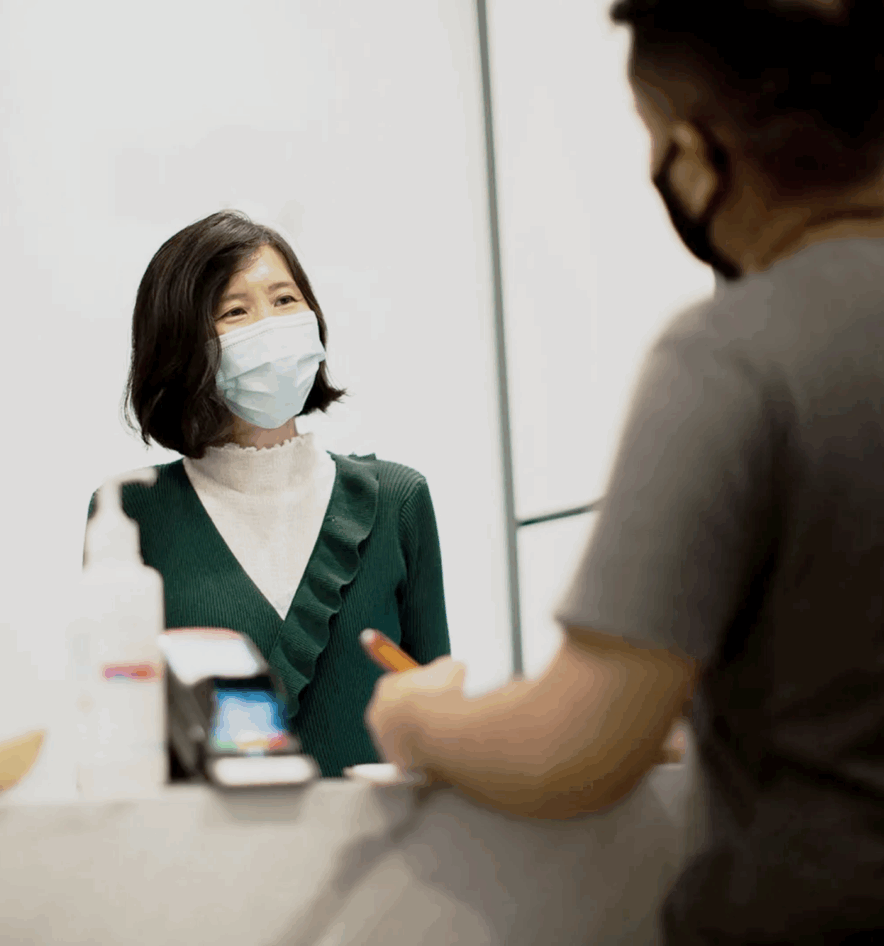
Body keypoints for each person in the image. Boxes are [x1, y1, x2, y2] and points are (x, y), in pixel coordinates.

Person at [367, 0, 884, 942]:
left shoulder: (735, 358)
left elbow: (579, 745)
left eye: (651, 134)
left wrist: (418, 721)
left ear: (697, 154)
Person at [88, 210, 450, 778]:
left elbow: (441, 724)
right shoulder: (134, 511)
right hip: (200, 835)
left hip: (382, 833)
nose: (272, 325)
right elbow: (119, 729)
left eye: (285, 300)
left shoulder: (397, 501)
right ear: (182, 344)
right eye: (236, 311)